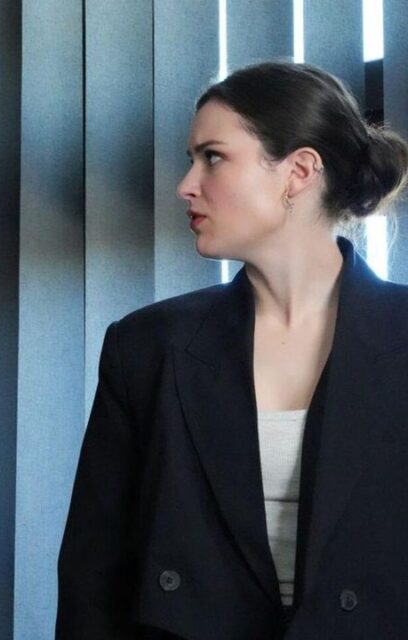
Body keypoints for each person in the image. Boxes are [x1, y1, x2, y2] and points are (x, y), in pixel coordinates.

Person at [56, 61, 408, 639]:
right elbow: (92, 581)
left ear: (298, 171)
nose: (185, 185)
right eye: (192, 159)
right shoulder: (147, 347)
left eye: (213, 157)